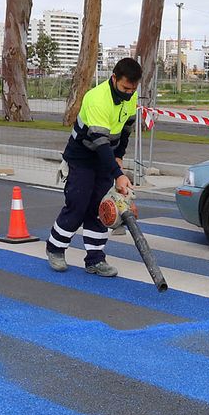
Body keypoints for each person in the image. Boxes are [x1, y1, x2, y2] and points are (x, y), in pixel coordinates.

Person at [47, 57, 140, 276]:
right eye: (125, 88)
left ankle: (95, 260)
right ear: (114, 78)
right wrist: (118, 174)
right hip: (82, 155)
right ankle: (55, 248)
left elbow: (126, 129)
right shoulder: (97, 98)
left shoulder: (131, 96)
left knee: (102, 209)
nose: (129, 93)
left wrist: (119, 156)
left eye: (133, 89)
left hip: (105, 156)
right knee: (78, 205)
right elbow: (100, 142)